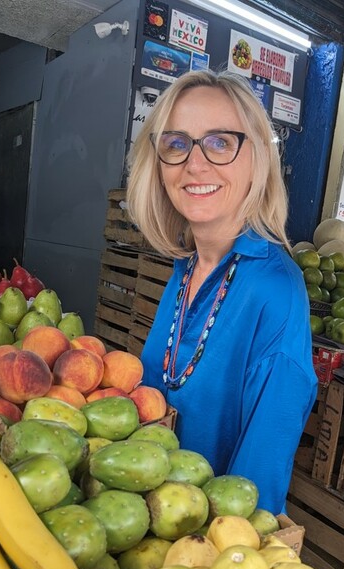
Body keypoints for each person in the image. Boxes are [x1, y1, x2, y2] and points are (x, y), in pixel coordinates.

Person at [126, 69, 317, 515]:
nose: (195, 164)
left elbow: (253, 496)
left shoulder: (276, 294)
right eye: (176, 143)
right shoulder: (187, 266)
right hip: (140, 520)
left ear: (256, 159)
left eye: (220, 142)